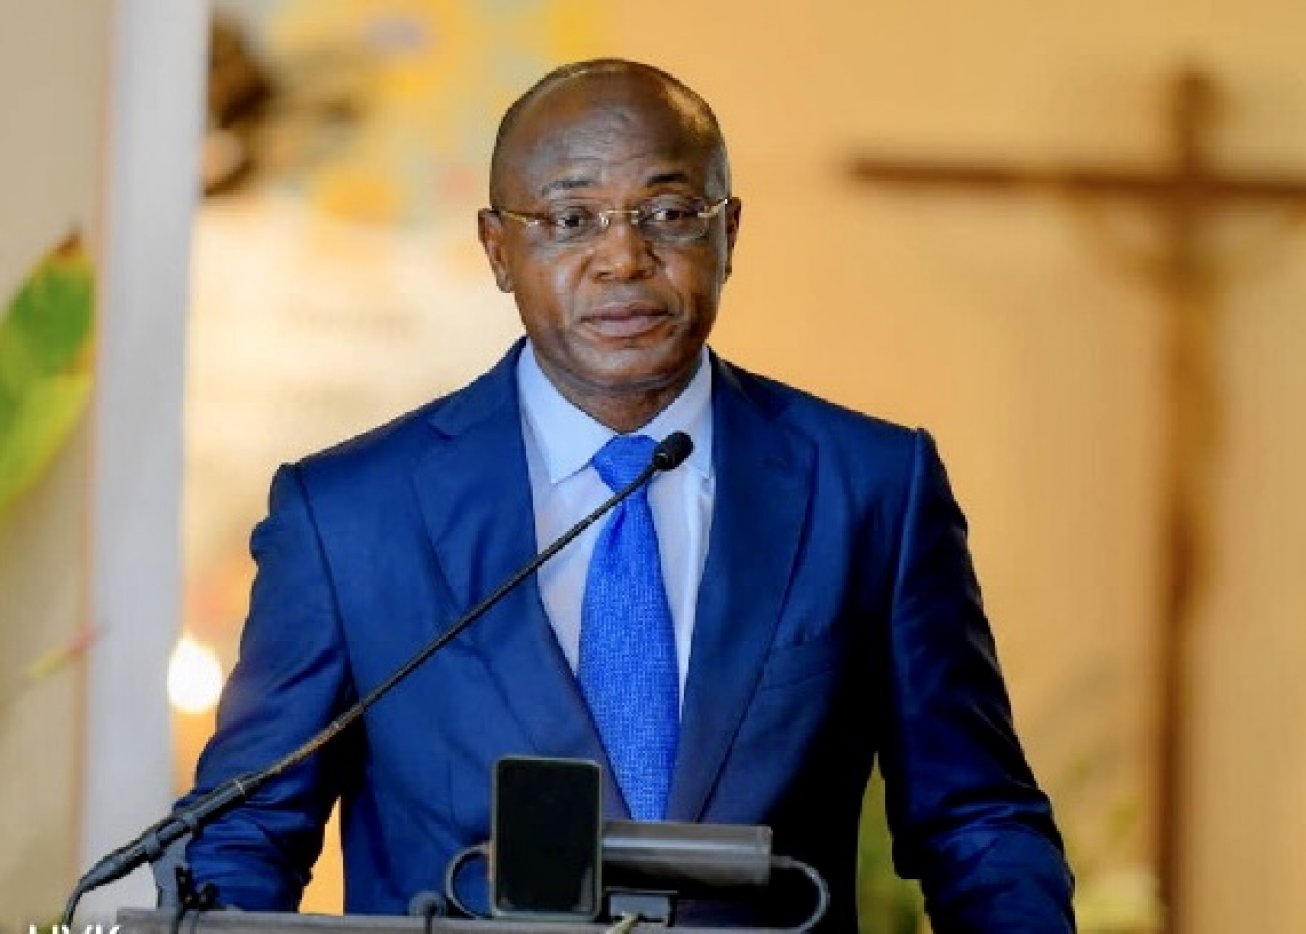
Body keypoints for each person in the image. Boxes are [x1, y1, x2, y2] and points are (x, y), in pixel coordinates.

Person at [175, 59, 1075, 931]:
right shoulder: (350, 518)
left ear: (729, 234)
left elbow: (975, 822)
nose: (623, 257)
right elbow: (243, 838)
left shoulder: (869, 487)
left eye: (670, 214)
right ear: (497, 249)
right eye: (571, 219)